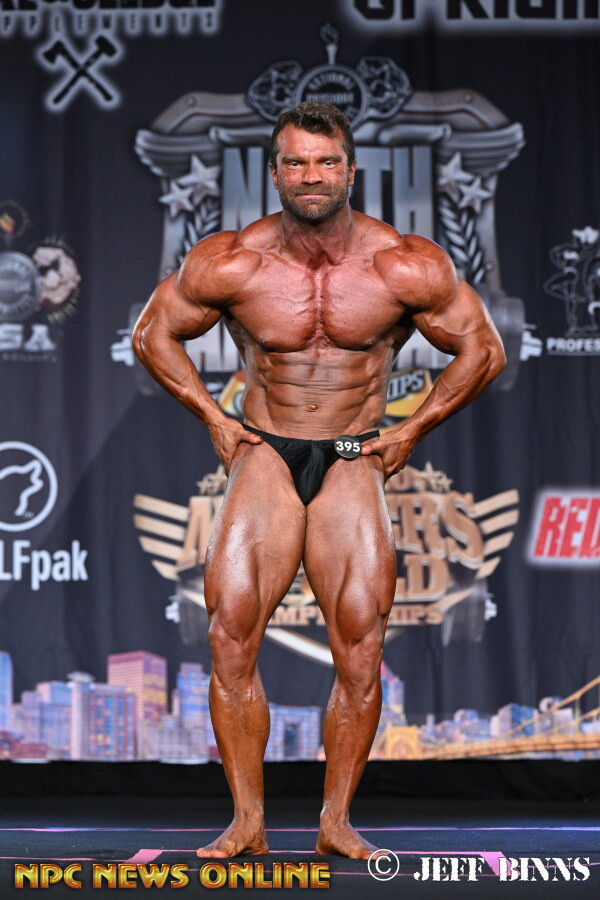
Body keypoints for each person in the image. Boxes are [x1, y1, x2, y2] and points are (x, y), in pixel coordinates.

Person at [132, 101, 506, 860]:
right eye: (297, 162)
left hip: (353, 454)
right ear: (274, 173)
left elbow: (483, 349)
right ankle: (247, 821)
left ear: (350, 171)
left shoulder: (402, 264)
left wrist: (411, 429)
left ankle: (335, 821)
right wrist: (212, 417)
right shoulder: (233, 261)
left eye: (326, 162)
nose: (312, 176)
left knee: (360, 643)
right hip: (266, 453)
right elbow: (153, 333)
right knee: (231, 630)